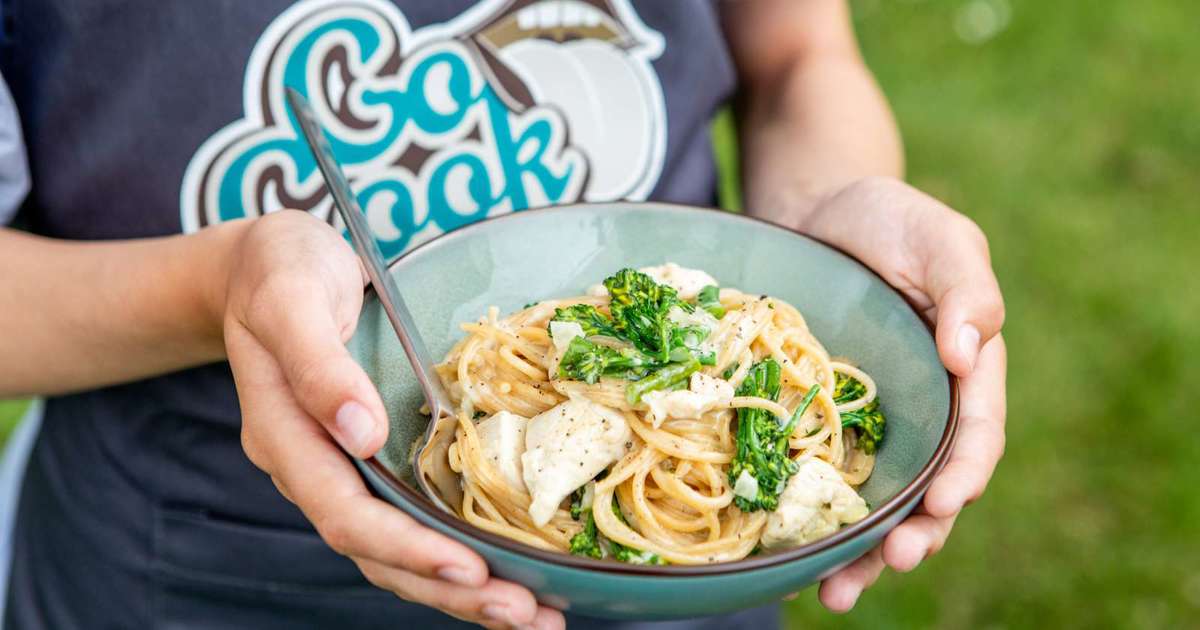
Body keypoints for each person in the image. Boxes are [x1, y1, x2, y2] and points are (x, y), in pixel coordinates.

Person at [0, 0, 1006, 628]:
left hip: (692, 598)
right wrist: (217, 285)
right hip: (202, 574)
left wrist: (824, 239)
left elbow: (796, 51)